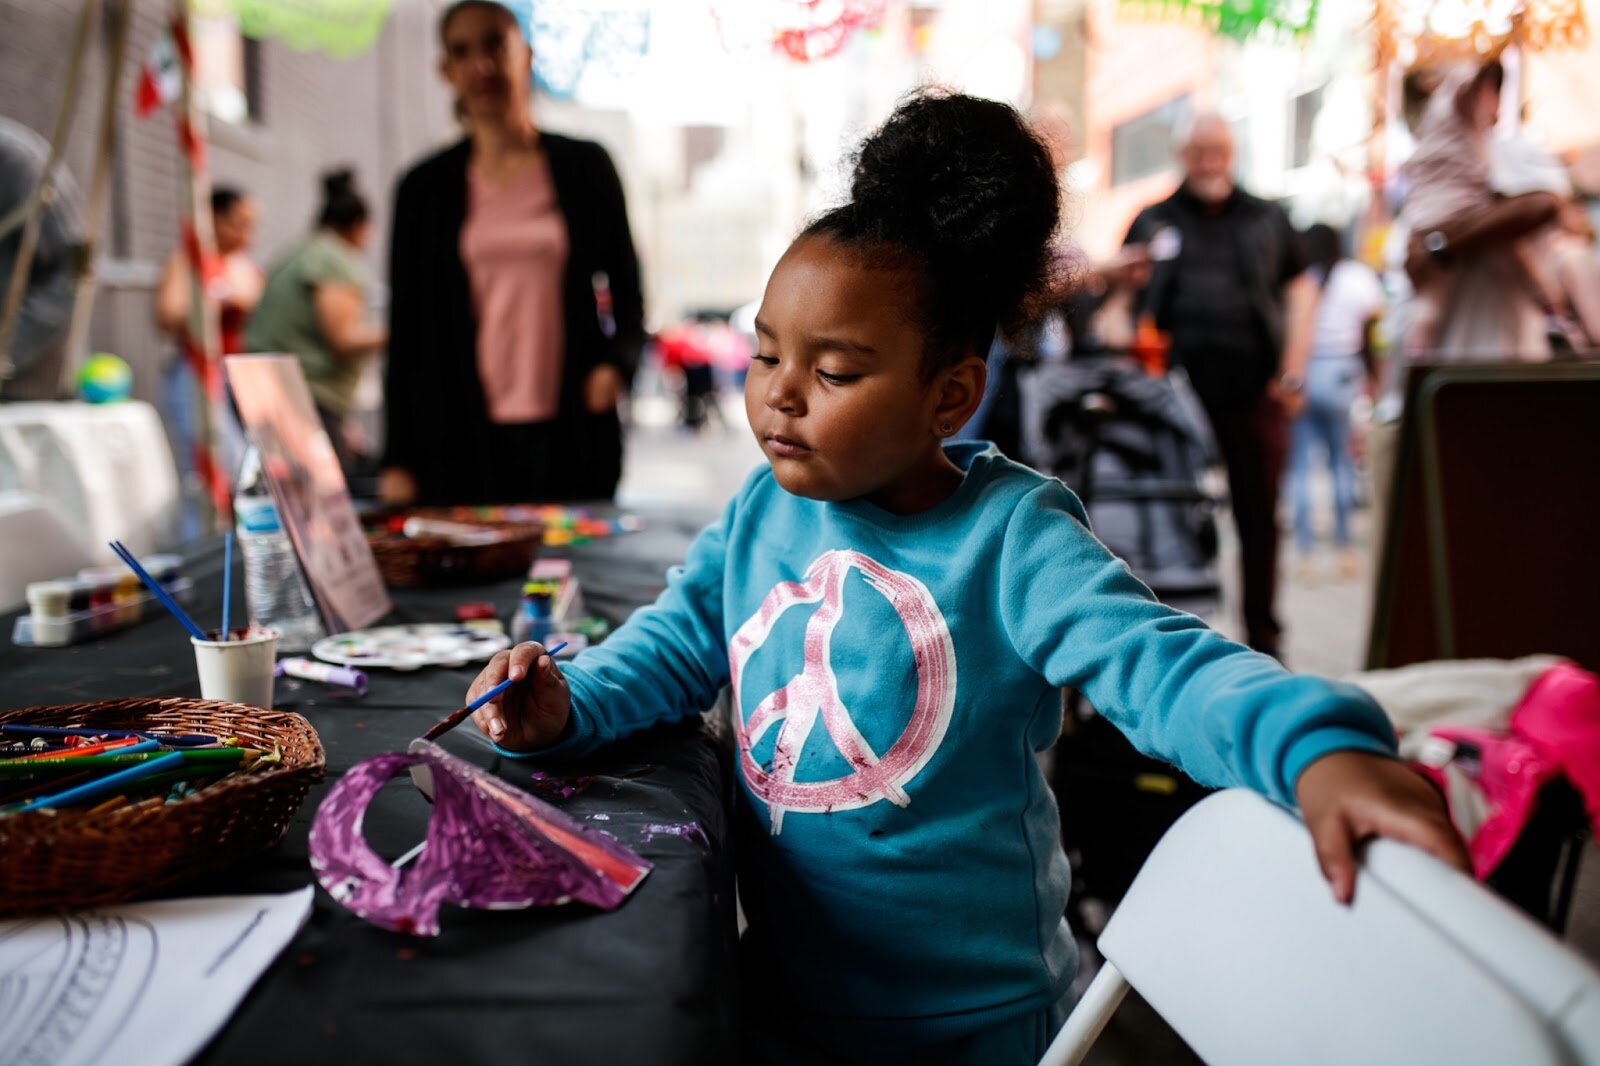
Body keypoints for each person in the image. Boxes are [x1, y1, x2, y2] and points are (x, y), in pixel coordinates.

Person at [462, 91, 1467, 1064]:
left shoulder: (1013, 538)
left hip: (979, 1024)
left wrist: (1315, 750)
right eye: (768, 354)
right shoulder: (761, 511)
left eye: (835, 372)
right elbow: (673, 648)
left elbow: (1163, 668)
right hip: (783, 999)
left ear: (950, 394)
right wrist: (568, 698)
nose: (779, 395)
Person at [381, 0, 644, 506]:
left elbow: (629, 291)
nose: (481, 64)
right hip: (459, 433)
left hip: (571, 424)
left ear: (525, 55)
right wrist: (397, 457)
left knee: (573, 576)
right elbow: (407, 332)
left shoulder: (586, 167)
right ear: (446, 71)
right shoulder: (422, 189)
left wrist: (617, 366)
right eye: (462, 51)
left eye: (494, 44)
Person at [1123, 114, 1317, 658]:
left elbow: (1302, 294)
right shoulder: (1154, 219)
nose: (1210, 163)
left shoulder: (1268, 218)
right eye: (1199, 152)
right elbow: (1125, 302)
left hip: (1255, 395)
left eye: (1219, 152)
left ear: (1232, 154)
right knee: (1171, 519)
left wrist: (1292, 370)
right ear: (1182, 155)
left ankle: (1264, 639)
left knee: (1259, 519)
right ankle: (1176, 638)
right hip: (1170, 402)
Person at [245, 169, 386, 475]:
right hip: (302, 394)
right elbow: (343, 339)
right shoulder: (333, 259)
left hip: (271, 388)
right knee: (321, 502)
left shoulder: (299, 251)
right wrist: (402, 334)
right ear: (358, 226)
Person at [1288, 224, 1383, 582]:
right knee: (1341, 462)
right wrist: (1374, 378)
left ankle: (1305, 553)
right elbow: (1372, 333)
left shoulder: (1302, 279)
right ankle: (1344, 549)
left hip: (1304, 371)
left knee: (1298, 466)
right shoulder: (1357, 278)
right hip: (1342, 370)